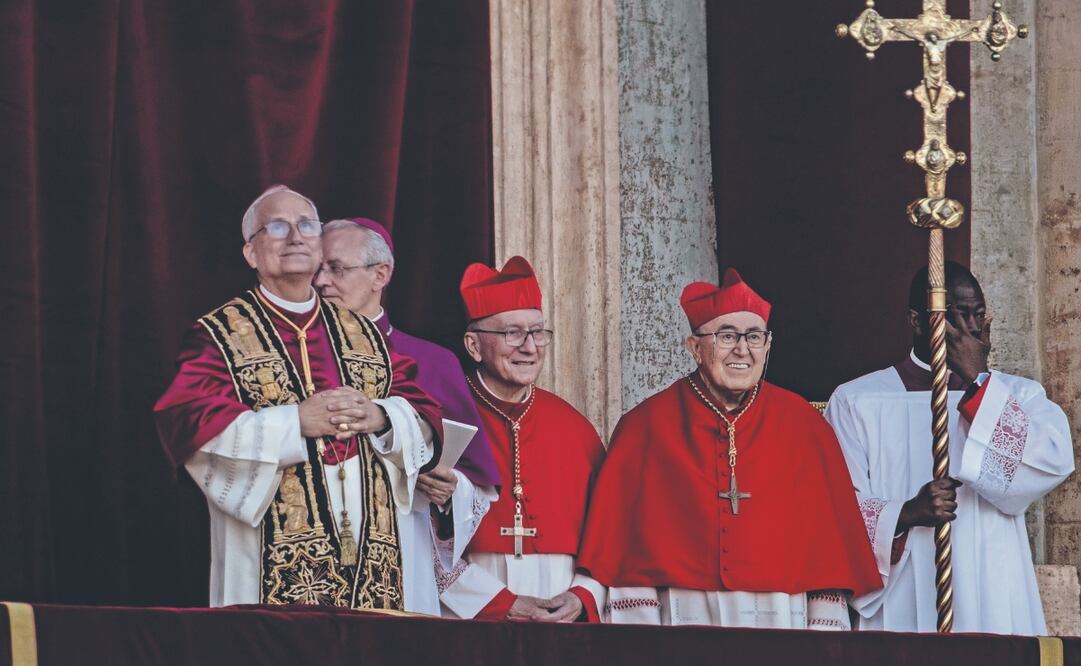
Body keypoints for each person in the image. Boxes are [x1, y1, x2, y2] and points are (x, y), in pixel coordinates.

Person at [154, 185, 444, 613]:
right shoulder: (219, 333)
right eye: (277, 226)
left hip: (372, 550)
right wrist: (295, 424)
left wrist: (379, 416)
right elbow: (188, 422)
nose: (295, 236)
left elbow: (424, 413)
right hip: (270, 549)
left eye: (307, 225)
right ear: (251, 253)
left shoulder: (362, 330)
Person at [576, 269, 881, 628]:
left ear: (767, 346)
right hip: (682, 618)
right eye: (726, 336)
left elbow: (828, 557)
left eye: (754, 336)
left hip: (783, 617)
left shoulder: (805, 425)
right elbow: (624, 557)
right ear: (694, 347)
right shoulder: (644, 427)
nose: (742, 349)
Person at [825, 261, 1074, 634]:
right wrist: (906, 513)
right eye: (957, 315)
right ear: (917, 321)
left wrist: (978, 381)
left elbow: (1048, 465)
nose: (972, 327)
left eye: (978, 314)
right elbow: (835, 508)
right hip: (904, 589)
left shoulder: (1019, 395)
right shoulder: (858, 401)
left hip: (993, 582)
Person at [314, 217, 501, 595]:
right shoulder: (295, 355)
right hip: (315, 546)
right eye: (317, 269)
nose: (320, 281)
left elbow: (474, 479)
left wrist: (451, 490)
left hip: (404, 545)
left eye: (335, 268)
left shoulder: (432, 362)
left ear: (380, 275)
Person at [436, 256, 607, 622]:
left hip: (562, 614)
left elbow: (610, 531)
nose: (529, 347)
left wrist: (582, 595)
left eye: (537, 332)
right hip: (467, 613)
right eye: (512, 333)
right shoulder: (441, 419)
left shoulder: (575, 428)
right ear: (473, 345)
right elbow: (418, 536)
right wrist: (498, 602)